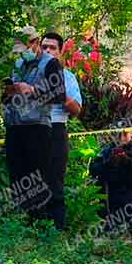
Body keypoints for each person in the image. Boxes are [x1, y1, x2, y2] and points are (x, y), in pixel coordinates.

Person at [2, 27, 66, 221]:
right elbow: (6, 97)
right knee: (17, 176)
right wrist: (9, 92)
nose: (22, 53)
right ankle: (22, 221)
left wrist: (32, 90)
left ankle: (40, 222)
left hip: (37, 127)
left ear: (35, 43)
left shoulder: (50, 64)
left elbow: (59, 95)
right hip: (14, 127)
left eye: (24, 48)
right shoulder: (18, 64)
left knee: (37, 177)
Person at [44, 33, 83, 230]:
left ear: (60, 53)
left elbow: (77, 110)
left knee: (55, 178)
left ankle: (58, 227)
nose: (47, 51)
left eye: (52, 48)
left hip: (56, 128)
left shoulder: (68, 77)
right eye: (44, 47)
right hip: (31, 129)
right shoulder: (30, 75)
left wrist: (60, 93)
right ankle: (32, 225)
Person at [90, 125, 132, 239]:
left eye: (125, 133)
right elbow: (94, 170)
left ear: (131, 134)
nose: (121, 137)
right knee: (111, 235)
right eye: (118, 134)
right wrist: (109, 162)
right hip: (112, 196)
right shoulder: (107, 150)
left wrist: (128, 161)